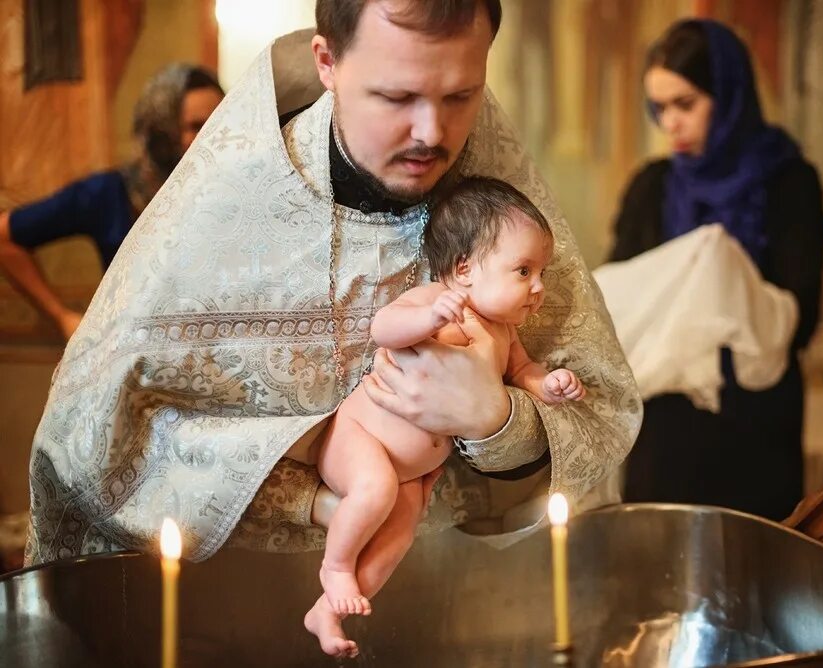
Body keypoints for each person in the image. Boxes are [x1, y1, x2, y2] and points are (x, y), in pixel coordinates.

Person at [24, 0, 641, 657]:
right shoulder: (228, 201)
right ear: (328, 62)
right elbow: (94, 439)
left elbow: (596, 413)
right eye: (396, 95)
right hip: (219, 607)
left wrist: (495, 421)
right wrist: (319, 498)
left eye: (462, 94)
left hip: (449, 605)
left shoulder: (504, 210)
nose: (431, 131)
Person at [308, 176, 586, 656]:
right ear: (464, 269)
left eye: (541, 272)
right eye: (524, 271)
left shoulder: (503, 332)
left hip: (413, 474)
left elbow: (522, 372)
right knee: (374, 490)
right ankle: (335, 568)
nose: (539, 287)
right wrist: (431, 319)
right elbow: (383, 328)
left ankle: (327, 613)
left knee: (396, 538)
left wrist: (549, 384)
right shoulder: (434, 300)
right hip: (360, 439)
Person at [608, 19, 823, 521]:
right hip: (664, 426)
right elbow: (621, 301)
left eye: (685, 104)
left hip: (755, 425)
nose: (670, 125)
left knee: (757, 574)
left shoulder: (789, 184)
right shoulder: (652, 188)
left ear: (728, 94)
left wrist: (722, 287)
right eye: (659, 108)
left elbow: (803, 314)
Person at [0, 64, 224, 340]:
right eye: (197, 126)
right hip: (134, 368)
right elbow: (5, 237)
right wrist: (63, 317)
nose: (213, 136)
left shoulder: (233, 191)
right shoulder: (107, 193)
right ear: (161, 130)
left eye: (219, 122)